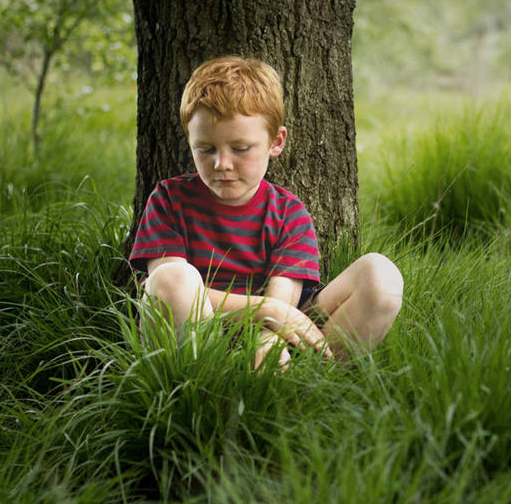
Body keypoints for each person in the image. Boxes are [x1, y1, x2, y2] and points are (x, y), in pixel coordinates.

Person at [129, 56, 403, 367]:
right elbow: (169, 286)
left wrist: (268, 336)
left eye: (241, 148)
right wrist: (265, 310)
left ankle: (308, 386)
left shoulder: (289, 213)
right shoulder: (169, 199)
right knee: (171, 277)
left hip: (278, 335)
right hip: (197, 339)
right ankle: (192, 392)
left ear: (276, 141)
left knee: (381, 276)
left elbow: (282, 301)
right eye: (205, 149)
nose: (222, 163)